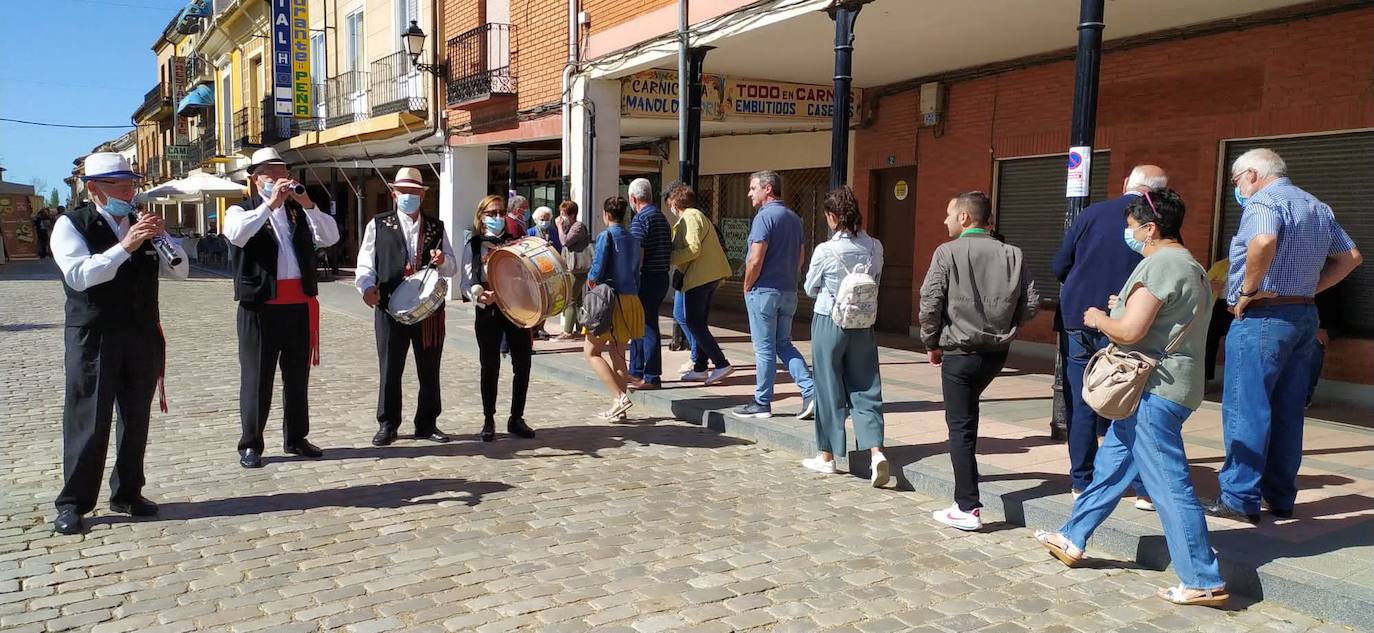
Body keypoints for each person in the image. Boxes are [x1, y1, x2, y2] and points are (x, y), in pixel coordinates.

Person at [1035, 188, 1229, 608]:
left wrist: (1100, 318)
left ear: (1151, 227)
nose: (1129, 232)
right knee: (1111, 465)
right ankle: (1073, 536)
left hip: (1152, 390)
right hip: (1166, 385)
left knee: (1170, 485)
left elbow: (1129, 332)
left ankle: (1201, 577)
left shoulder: (1160, 264)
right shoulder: (1188, 264)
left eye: (1132, 226)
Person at [1213, 148, 1361, 523]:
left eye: (1235, 181)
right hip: (1304, 314)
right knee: (1288, 411)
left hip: (1263, 316)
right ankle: (1279, 495)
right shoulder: (1317, 206)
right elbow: (1351, 257)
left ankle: (1239, 497)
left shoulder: (1264, 201)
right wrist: (1311, 288)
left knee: (1246, 407)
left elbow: (1263, 241)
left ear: (1251, 174)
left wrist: (1247, 290)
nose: (1236, 189)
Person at [49, 153, 189, 534]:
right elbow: (80, 275)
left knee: (135, 417)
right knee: (88, 419)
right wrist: (125, 245)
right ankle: (74, 502)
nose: (129, 192)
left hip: (140, 332)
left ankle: (128, 492)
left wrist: (162, 240)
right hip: (94, 334)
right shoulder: (70, 224)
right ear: (94, 189)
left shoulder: (142, 223)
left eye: (131, 185)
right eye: (120, 185)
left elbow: (180, 271)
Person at [920, 191, 1038, 531]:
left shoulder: (947, 252)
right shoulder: (1013, 254)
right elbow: (1031, 303)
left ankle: (967, 506)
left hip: (959, 351)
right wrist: (1006, 325)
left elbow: (929, 303)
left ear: (964, 218)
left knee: (960, 428)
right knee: (968, 418)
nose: (944, 221)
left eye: (948, 214)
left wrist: (931, 341)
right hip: (996, 353)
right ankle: (966, 497)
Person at [1051, 165, 1162, 505]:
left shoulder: (1091, 214)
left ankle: (1082, 481)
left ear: (1127, 183)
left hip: (1079, 316)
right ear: (1155, 194)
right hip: (1130, 322)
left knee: (1081, 400)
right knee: (1132, 400)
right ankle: (1142, 487)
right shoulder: (1158, 223)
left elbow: (1060, 265)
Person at [224, 148, 340, 468]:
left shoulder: (296, 212)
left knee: (296, 376)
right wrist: (269, 204)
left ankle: (296, 437)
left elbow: (330, 236)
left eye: (282, 172)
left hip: (297, 306)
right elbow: (237, 234)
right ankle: (251, 443)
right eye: (269, 173)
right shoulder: (240, 210)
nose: (277, 179)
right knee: (257, 377)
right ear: (254, 179)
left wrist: (308, 204)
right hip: (259, 308)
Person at [355, 168, 456, 447]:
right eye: (404, 192)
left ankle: (427, 423)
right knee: (390, 367)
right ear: (394, 194)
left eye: (414, 192)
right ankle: (388, 424)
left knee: (429, 368)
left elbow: (452, 266)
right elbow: (365, 261)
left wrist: (442, 259)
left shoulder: (437, 227)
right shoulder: (379, 224)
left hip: (429, 310)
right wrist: (365, 287)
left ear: (423, 195)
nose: (409, 196)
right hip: (390, 307)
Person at [801, 187, 889, 487]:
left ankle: (827, 456)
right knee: (867, 386)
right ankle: (876, 453)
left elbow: (810, 287)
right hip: (863, 323)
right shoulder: (875, 246)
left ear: (832, 216)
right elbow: (875, 280)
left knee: (828, 387)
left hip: (830, 320)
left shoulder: (826, 251)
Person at [732, 170, 815, 420]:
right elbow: (800, 258)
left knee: (764, 348)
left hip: (764, 291)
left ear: (768, 188)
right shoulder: (794, 218)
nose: (749, 193)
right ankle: (811, 391)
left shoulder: (763, 218)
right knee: (783, 344)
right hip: (788, 290)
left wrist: (747, 284)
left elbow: (755, 258)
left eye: (753, 187)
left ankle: (762, 401)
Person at [461, 195, 537, 441]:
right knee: (490, 365)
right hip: (489, 310)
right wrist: (479, 296)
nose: (497, 217)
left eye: (500, 212)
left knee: (523, 364)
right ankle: (488, 419)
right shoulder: (473, 245)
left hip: (516, 309)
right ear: (481, 216)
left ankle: (516, 418)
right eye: (491, 213)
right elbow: (466, 283)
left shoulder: (517, 243)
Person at [584, 196, 644, 421]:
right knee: (618, 354)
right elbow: (637, 270)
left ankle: (619, 397)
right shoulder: (634, 238)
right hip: (630, 299)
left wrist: (590, 287)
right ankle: (620, 411)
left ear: (606, 214)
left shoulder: (606, 235)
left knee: (591, 352)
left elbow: (597, 269)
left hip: (609, 301)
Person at [668, 183, 733, 385]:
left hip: (700, 277)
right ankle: (700, 367)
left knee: (695, 323)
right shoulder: (693, 216)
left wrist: (670, 256)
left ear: (674, 202)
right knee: (697, 322)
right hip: (705, 276)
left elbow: (693, 248)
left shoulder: (690, 216)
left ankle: (721, 363)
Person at [626, 178, 672, 390]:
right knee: (640, 323)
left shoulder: (640, 219)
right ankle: (635, 371)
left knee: (647, 326)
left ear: (633, 198)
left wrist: (629, 277)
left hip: (647, 277)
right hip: (661, 275)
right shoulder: (661, 217)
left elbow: (637, 254)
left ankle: (651, 375)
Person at [555, 200, 591, 341]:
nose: (561, 217)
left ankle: (567, 332)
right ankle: (580, 328)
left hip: (578, 269)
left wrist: (559, 227)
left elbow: (565, 241)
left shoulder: (578, 227)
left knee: (569, 298)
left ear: (572, 214)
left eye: (563, 214)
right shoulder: (569, 226)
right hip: (571, 268)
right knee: (576, 300)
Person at [1202, 258, 1232, 386]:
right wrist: (1211, 285)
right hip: (1219, 305)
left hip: (1238, 306)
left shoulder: (1251, 264)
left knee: (1234, 344)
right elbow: (1202, 282)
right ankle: (1205, 378)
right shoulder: (1222, 265)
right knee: (1209, 341)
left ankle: (1232, 381)